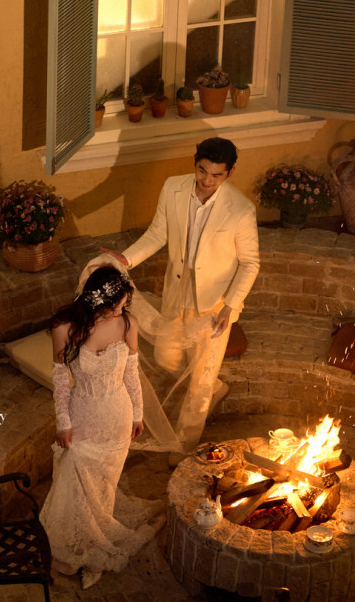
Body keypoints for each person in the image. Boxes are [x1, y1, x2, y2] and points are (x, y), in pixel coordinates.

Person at [109, 137, 260, 452]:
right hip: (176, 289)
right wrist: (125, 260)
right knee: (165, 356)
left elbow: (250, 264)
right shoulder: (172, 187)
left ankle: (183, 445)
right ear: (196, 163)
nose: (207, 180)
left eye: (216, 175)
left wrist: (230, 306)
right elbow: (157, 234)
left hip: (216, 302)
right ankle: (215, 387)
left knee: (200, 384)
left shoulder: (241, 209)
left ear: (230, 173)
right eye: (202, 171)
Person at [39, 264, 160, 590]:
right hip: (83, 417)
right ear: (97, 301)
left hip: (117, 418)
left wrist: (137, 414)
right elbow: (60, 380)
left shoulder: (127, 324)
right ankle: (74, 546)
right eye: (115, 306)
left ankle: (93, 542)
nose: (120, 311)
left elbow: (131, 374)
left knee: (105, 484)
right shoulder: (65, 328)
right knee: (75, 476)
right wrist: (63, 422)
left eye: (123, 305)